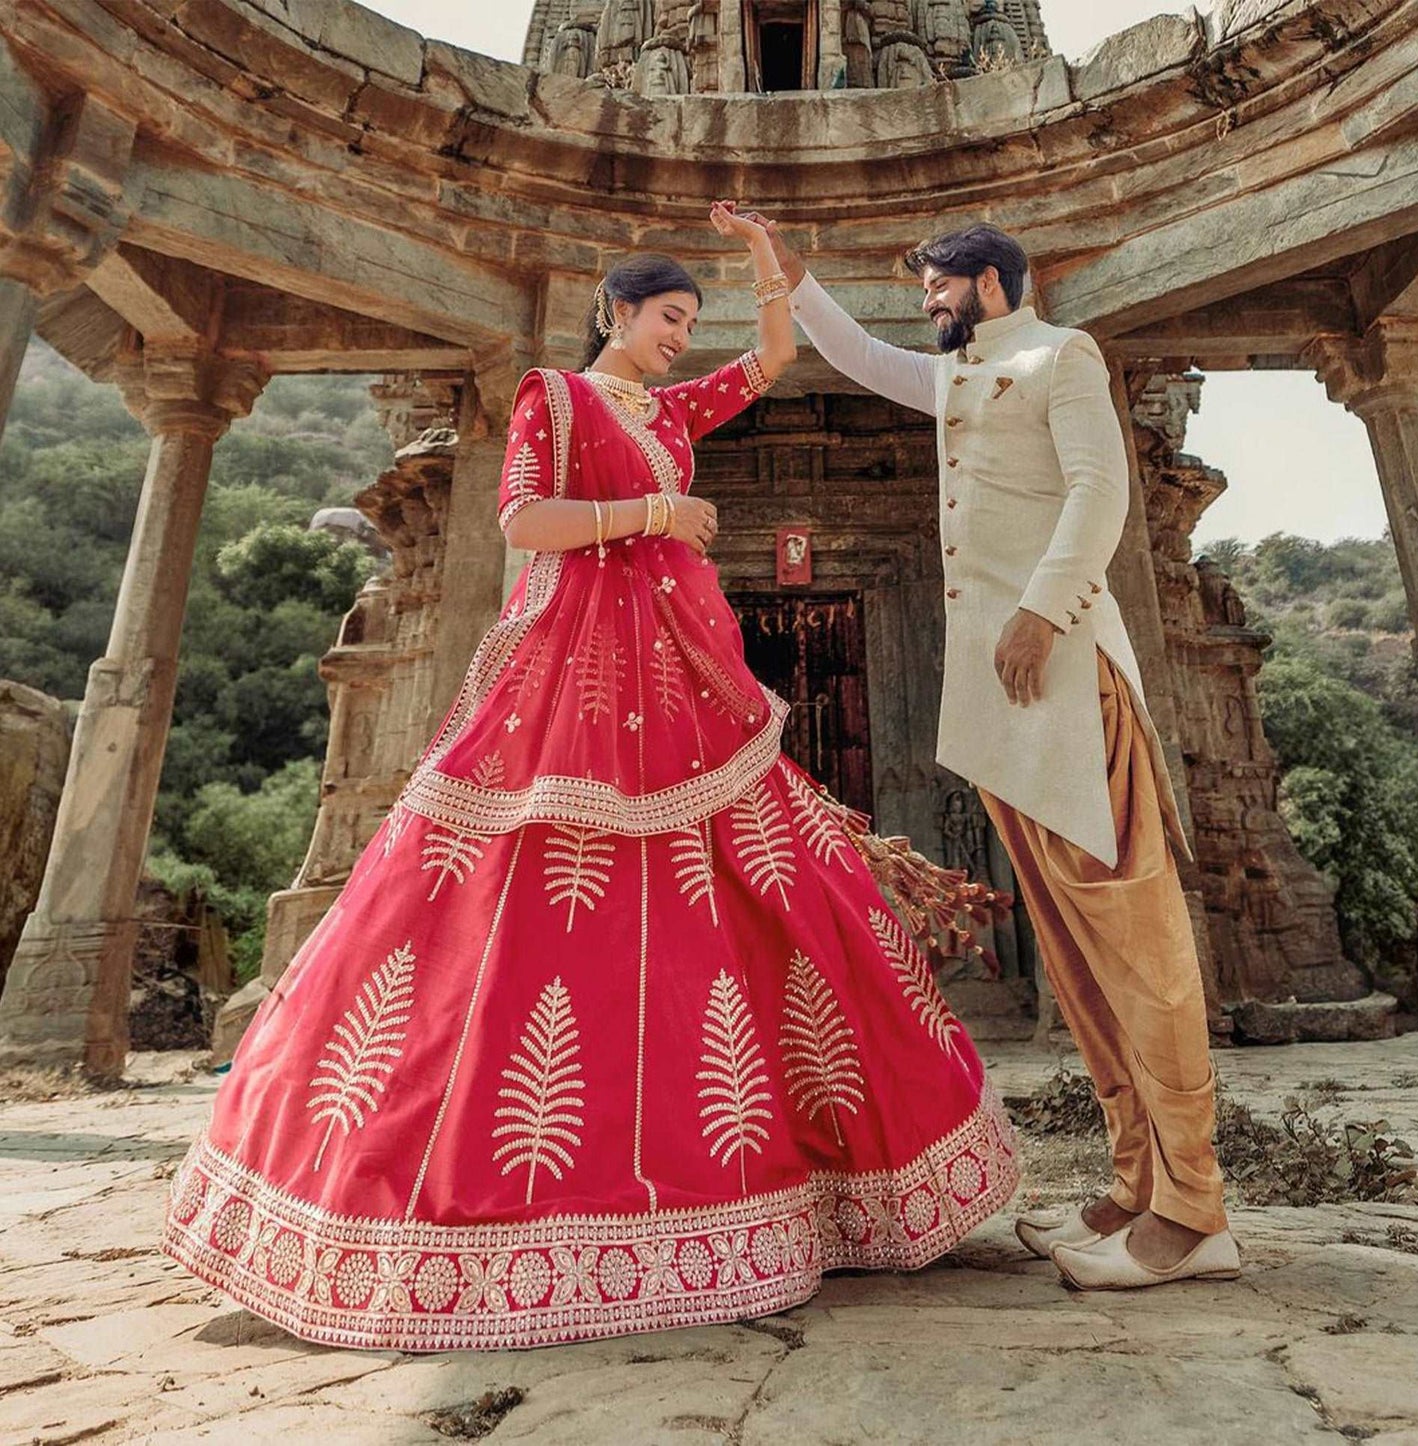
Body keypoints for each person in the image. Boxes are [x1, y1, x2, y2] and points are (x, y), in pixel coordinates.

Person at [160, 205, 1019, 1353]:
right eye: (667, 318)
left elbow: (766, 362)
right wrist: (653, 511)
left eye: (685, 323)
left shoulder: (667, 409)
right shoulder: (553, 400)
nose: (678, 339)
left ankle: (790, 1177)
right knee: (519, 892)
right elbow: (524, 517)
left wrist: (771, 274)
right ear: (614, 311)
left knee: (756, 881)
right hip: (574, 667)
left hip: (678, 670)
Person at [750, 211, 1238, 1290]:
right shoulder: (966, 377)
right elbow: (864, 358)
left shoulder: (1061, 355)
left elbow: (1098, 488)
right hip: (1005, 696)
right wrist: (797, 279)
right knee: (1073, 949)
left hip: (1064, 669)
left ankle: (1195, 1211)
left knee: (1134, 940)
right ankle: (1131, 1187)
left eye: (935, 284)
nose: (923, 301)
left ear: (988, 279)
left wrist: (1043, 610)